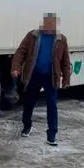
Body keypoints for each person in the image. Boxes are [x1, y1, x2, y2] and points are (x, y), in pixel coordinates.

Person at [11, 12, 71, 146]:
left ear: (55, 25)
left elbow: (65, 61)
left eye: (52, 23)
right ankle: (27, 126)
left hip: (51, 76)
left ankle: (52, 135)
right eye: (47, 23)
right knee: (29, 102)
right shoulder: (33, 36)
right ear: (43, 23)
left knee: (52, 104)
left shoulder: (61, 39)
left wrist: (66, 79)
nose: (49, 26)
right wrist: (16, 67)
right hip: (34, 74)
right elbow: (21, 52)